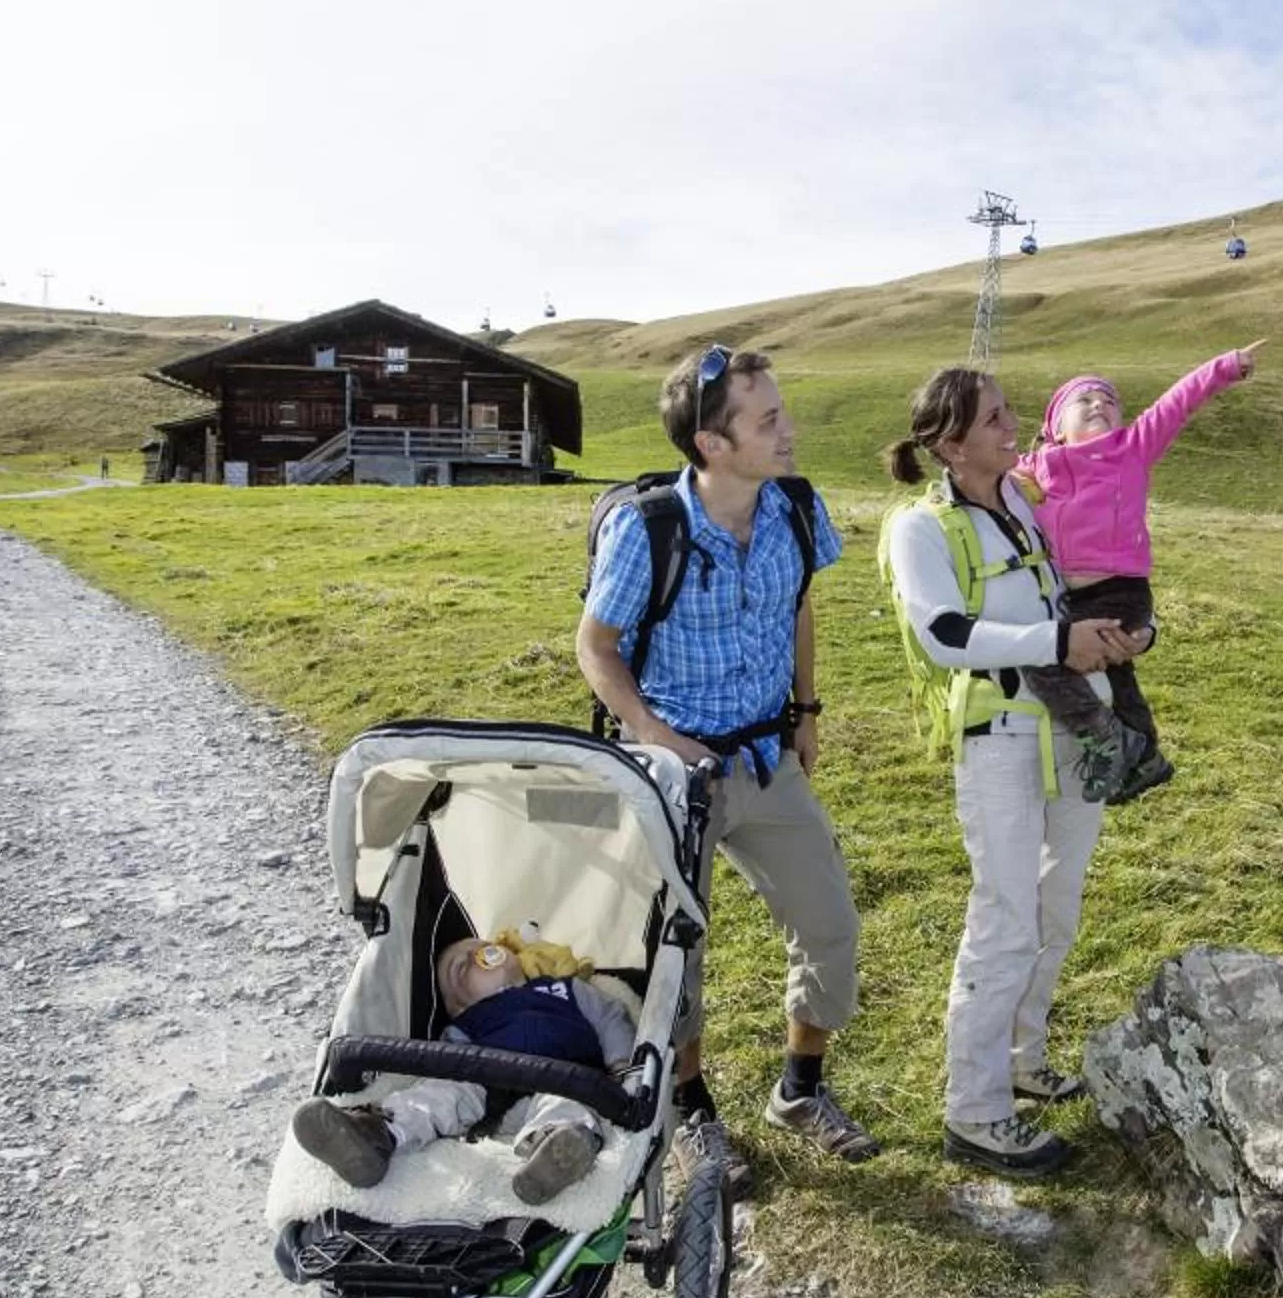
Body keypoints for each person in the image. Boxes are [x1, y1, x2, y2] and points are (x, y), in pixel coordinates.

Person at [576, 345, 874, 1174]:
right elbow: (596, 645)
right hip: (674, 772)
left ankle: (801, 1087)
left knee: (830, 926)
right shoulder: (648, 529)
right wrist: (653, 735)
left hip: (768, 756)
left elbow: (800, 602)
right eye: (768, 419)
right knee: (676, 949)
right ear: (712, 444)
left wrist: (807, 711)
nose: (790, 431)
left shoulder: (797, 508)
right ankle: (691, 1108)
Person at [881, 366, 1135, 1176]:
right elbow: (944, 635)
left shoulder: (1023, 504)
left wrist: (1108, 635)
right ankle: (976, 1111)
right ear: (951, 444)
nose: (1013, 425)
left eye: (1009, 412)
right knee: (1005, 918)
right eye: (994, 418)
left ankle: (1025, 1061)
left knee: (1056, 904)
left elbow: (1054, 598)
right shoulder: (920, 529)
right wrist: (1056, 645)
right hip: (999, 740)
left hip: (1071, 727)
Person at [1015, 349, 1260, 802]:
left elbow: (1177, 401)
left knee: (1044, 660)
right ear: (1055, 425)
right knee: (1118, 674)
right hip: (1066, 597)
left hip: (1121, 593)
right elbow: (987, 475)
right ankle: (1144, 753)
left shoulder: (1132, 448)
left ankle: (1105, 738)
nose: (1099, 405)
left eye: (1109, 400)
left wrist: (1225, 367)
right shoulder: (1032, 469)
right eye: (1084, 400)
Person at [289, 933, 634, 1206]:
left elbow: (610, 1017)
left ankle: (551, 1156)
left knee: (566, 1108)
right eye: (462, 969)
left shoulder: (565, 990)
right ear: (457, 1005)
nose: (475, 958)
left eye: (487, 953)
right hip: (487, 1084)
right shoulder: (467, 1023)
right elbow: (443, 1065)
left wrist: (621, 1065)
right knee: (439, 1094)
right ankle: (374, 1134)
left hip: (567, 1078)